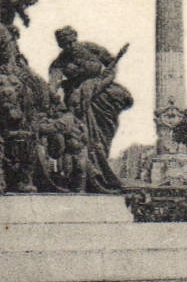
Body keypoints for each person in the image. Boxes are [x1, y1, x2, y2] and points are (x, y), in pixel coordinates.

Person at [48, 26, 133, 192]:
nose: (70, 46)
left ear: (76, 38)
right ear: (61, 45)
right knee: (85, 136)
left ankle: (101, 172)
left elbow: (111, 67)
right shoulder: (60, 61)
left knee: (104, 134)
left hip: (102, 95)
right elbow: (53, 82)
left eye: (71, 41)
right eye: (65, 44)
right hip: (80, 99)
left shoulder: (92, 49)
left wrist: (99, 84)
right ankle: (89, 176)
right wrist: (52, 92)